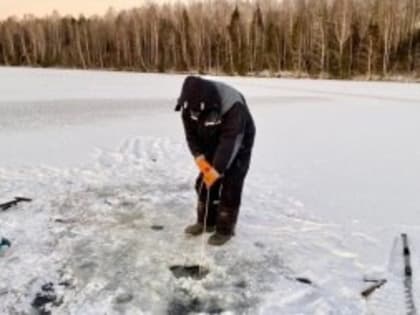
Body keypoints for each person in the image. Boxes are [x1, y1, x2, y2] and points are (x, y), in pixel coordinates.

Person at [175, 76, 256, 246]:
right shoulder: (188, 105)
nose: (193, 114)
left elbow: (230, 142)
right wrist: (199, 157)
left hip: (238, 140)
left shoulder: (233, 106)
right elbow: (191, 135)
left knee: (231, 183)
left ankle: (225, 229)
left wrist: (216, 170)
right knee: (204, 182)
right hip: (211, 138)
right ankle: (206, 222)